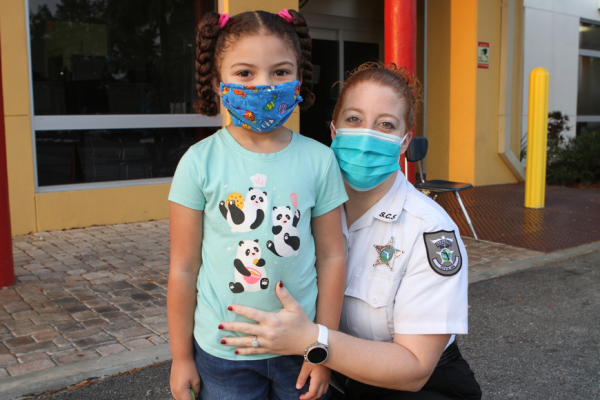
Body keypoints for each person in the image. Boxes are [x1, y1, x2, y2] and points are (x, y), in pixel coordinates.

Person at [218, 62, 483, 400]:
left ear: (404, 142)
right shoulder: (302, 212)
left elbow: (415, 368)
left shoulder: (430, 229)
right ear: (333, 130)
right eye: (354, 120)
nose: (367, 135)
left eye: (385, 125)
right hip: (325, 374)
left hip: (413, 387)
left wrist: (311, 340)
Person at [167, 9, 348, 400]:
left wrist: (324, 349)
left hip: (300, 348)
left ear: (300, 76)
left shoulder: (320, 160)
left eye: (280, 72)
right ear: (217, 82)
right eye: (245, 73)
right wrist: (181, 357)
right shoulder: (198, 163)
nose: (264, 86)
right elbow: (183, 268)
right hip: (223, 352)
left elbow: (333, 256)